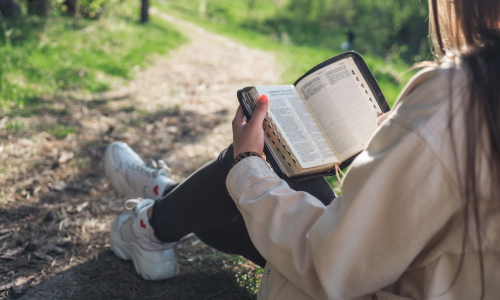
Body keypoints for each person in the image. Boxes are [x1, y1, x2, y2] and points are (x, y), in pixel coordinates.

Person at [103, 0, 500, 298]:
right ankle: (165, 200)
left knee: (264, 159)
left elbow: (330, 261)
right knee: (268, 180)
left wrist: (247, 164)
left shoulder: (461, 96)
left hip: (356, 281)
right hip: (409, 274)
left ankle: (152, 219)